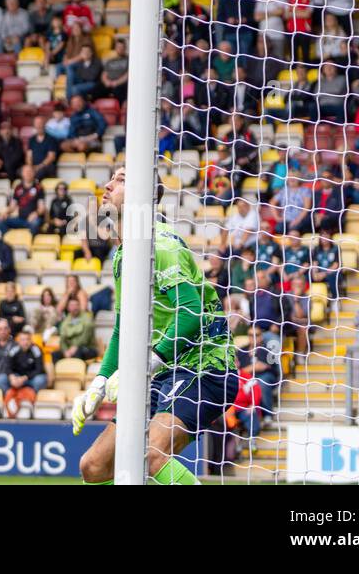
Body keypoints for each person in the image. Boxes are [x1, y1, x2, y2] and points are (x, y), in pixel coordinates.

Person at [74, 167, 238, 486]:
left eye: (122, 179)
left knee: (150, 455)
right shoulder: (123, 255)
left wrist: (145, 366)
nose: (107, 185)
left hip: (204, 366)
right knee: (93, 466)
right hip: (163, 370)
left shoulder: (160, 244)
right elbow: (123, 328)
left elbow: (191, 314)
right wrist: (99, 383)